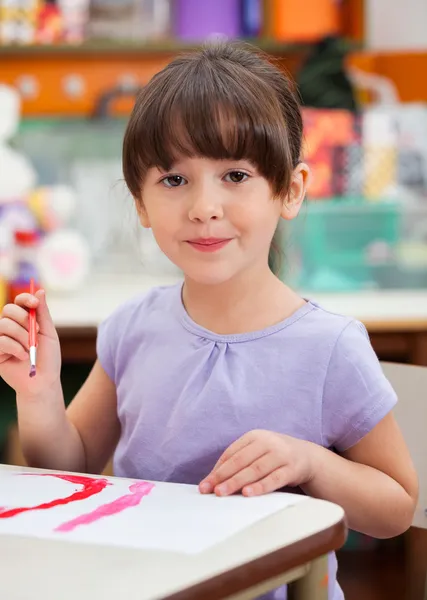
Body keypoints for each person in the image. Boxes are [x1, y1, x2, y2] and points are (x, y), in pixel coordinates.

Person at [0, 41, 418, 599]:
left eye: (236, 176)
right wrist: (38, 395)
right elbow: (69, 461)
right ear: (141, 203)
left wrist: (310, 463)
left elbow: (396, 507)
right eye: (174, 180)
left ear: (289, 191)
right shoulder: (132, 326)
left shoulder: (330, 347)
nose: (204, 206)